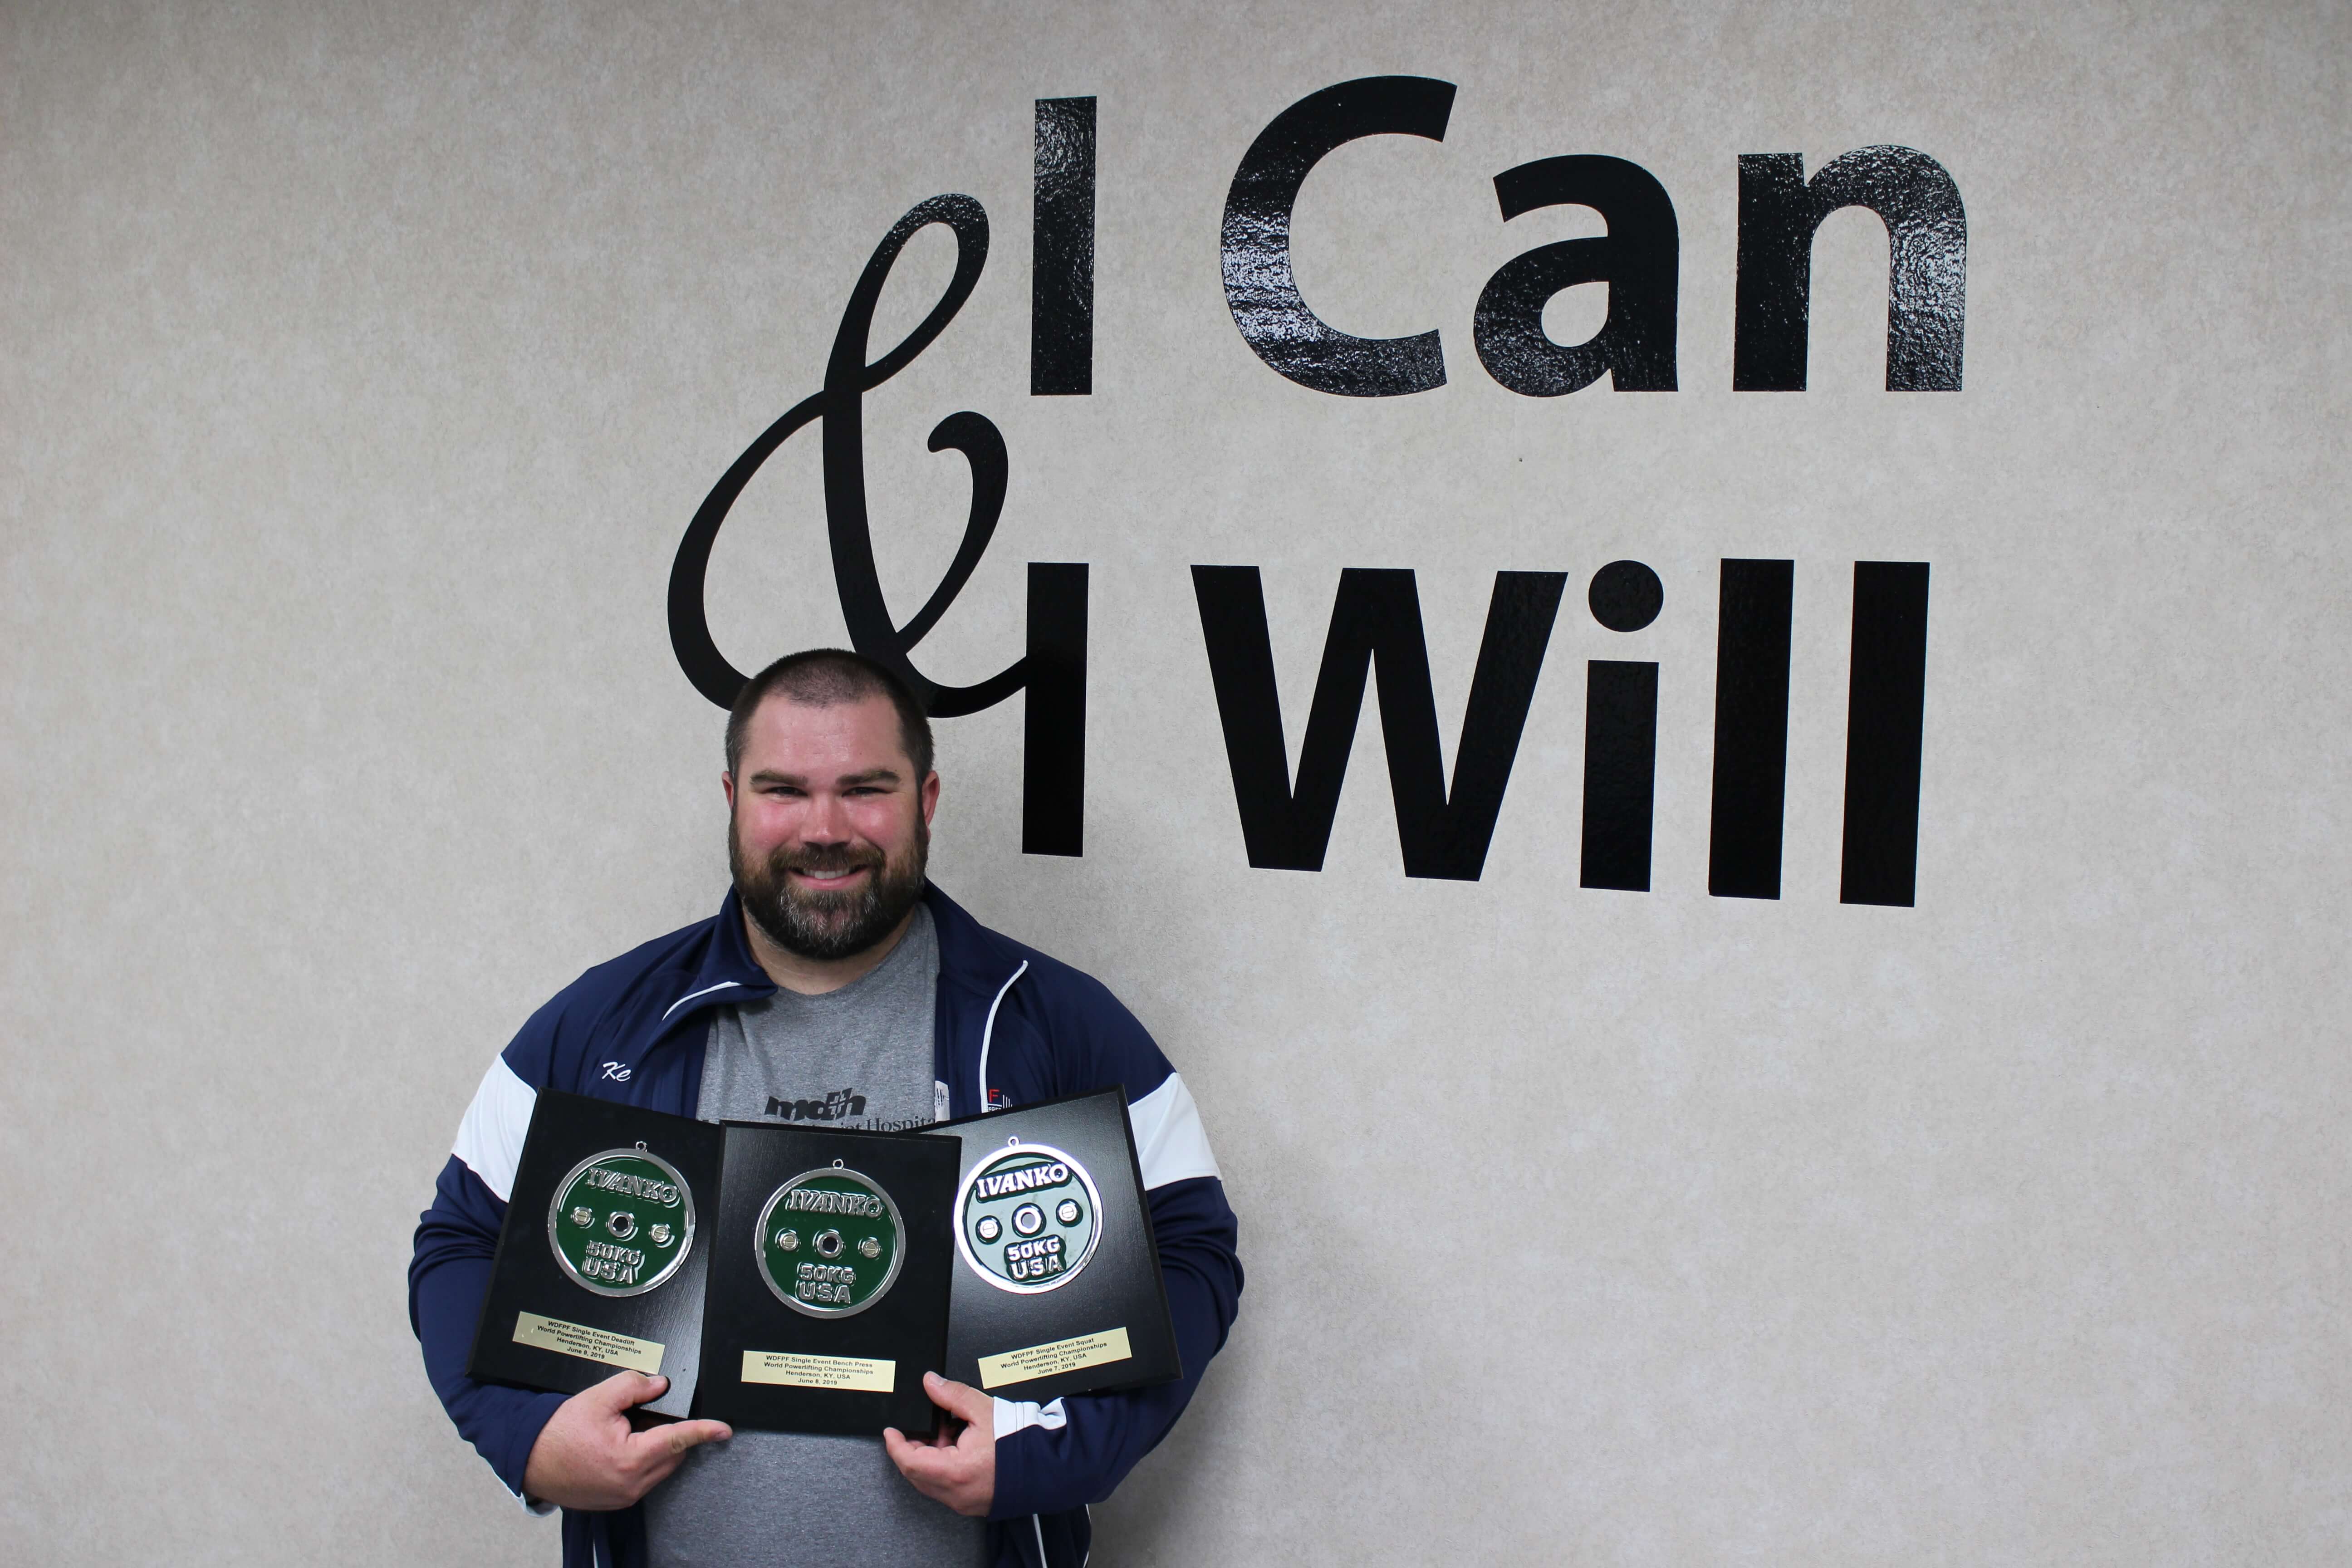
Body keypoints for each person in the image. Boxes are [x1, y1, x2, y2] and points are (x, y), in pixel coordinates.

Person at [409, 649, 1243, 1568]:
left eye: (864, 788)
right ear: (733, 798)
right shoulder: (603, 1024)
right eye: (785, 791)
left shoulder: (1058, 1024)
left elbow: (1191, 1247)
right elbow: (460, 1240)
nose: (826, 827)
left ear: (925, 801)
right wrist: (527, 1437)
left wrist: (1053, 1449)